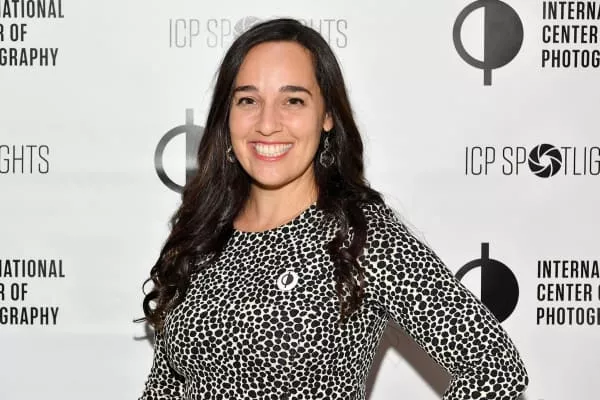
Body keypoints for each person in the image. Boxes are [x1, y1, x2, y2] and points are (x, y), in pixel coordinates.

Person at [137, 18, 529, 400]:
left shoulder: (359, 236)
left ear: (326, 116)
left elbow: (494, 368)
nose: (267, 123)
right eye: (248, 100)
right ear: (228, 114)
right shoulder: (205, 232)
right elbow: (164, 387)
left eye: (293, 100)